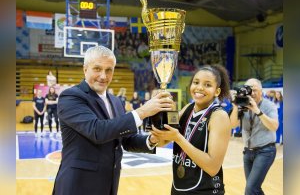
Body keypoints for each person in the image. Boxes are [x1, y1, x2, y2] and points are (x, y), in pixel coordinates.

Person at [52, 45, 174, 195]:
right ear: (85, 69)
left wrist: (152, 139)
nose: (103, 76)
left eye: (109, 70)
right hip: (78, 185)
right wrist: (142, 112)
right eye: (97, 69)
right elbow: (97, 131)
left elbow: (126, 141)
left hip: (108, 184)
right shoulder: (71, 97)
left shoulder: (116, 101)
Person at [152, 64, 232, 194]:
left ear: (217, 91)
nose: (199, 88)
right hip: (179, 189)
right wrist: (160, 116)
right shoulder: (186, 109)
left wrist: (178, 138)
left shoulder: (219, 116)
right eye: (196, 82)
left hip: (205, 191)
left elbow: (212, 167)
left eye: (207, 85)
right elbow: (161, 141)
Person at [230, 78, 279, 195]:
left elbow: (274, 126)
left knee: (250, 188)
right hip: (247, 152)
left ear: (261, 91)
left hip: (265, 151)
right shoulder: (243, 105)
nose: (252, 92)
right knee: (253, 189)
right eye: (249, 89)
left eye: (255, 90)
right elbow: (233, 125)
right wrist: (236, 106)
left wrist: (257, 111)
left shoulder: (269, 105)